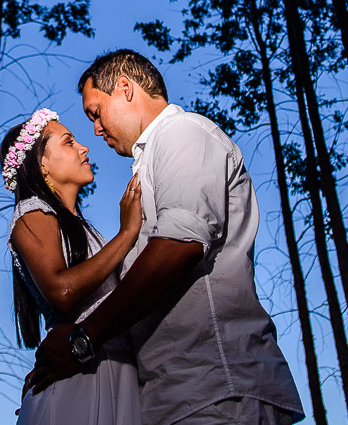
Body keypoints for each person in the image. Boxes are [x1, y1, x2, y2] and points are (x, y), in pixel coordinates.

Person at [29, 50, 305, 425]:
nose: (95, 129)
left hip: (217, 389)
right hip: (170, 398)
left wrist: (85, 340)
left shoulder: (183, 134)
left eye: (96, 112)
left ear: (125, 88)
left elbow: (179, 246)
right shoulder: (151, 162)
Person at [5, 107, 144, 425]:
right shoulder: (31, 212)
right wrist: (127, 235)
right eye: (69, 142)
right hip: (80, 380)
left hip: (115, 370)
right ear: (42, 163)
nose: (84, 147)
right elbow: (61, 290)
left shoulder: (84, 230)